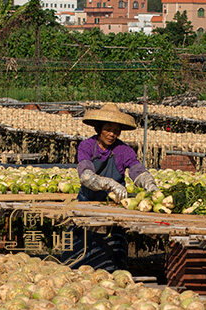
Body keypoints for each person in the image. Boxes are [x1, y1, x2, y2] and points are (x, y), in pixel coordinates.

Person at [62, 103, 158, 272]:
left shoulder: (123, 150)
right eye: (108, 129)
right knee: (78, 244)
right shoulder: (87, 146)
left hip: (114, 205)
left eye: (116, 130)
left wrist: (148, 183)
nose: (112, 134)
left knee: (115, 246)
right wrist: (109, 183)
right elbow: (85, 175)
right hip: (87, 201)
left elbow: (136, 169)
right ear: (99, 129)